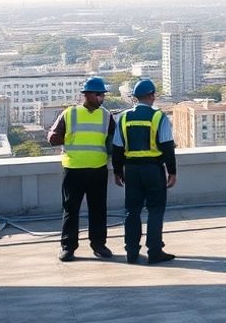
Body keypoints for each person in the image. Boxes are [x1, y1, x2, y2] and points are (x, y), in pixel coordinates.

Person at [47, 76, 116, 261]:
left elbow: (114, 142)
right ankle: (68, 247)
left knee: (98, 209)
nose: (102, 98)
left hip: (98, 169)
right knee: (71, 209)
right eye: (99, 94)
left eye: (103, 95)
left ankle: (99, 245)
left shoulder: (106, 116)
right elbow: (52, 137)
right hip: (74, 169)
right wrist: (62, 138)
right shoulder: (70, 113)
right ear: (87, 95)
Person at [111, 78, 177, 264]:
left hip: (131, 170)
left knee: (132, 211)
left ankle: (131, 252)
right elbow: (167, 146)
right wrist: (172, 172)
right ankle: (154, 251)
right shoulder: (158, 117)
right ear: (151, 96)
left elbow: (117, 147)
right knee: (155, 210)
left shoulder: (123, 117)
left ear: (135, 97)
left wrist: (117, 172)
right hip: (153, 170)